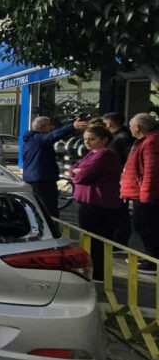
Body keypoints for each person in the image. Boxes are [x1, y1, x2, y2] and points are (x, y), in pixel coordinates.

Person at [70, 123, 125, 280]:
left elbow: (83, 175)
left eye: (92, 139)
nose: (87, 142)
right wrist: (76, 171)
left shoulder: (106, 154)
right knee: (89, 240)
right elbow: (73, 168)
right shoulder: (91, 154)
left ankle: (98, 274)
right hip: (88, 200)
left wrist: (77, 172)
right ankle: (93, 270)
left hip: (98, 203)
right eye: (85, 139)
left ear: (104, 139)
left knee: (96, 241)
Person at [22, 116, 89, 217]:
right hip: (42, 180)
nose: (52, 128)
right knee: (48, 209)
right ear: (41, 127)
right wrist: (72, 127)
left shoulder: (31, 140)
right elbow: (53, 135)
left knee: (40, 208)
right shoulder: (38, 139)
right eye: (49, 125)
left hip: (35, 178)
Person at [120, 113, 159, 272]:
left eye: (131, 126)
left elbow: (151, 170)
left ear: (137, 127)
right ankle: (151, 255)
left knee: (146, 226)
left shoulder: (151, 142)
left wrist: (146, 195)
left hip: (146, 195)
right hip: (142, 193)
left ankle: (154, 260)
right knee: (146, 226)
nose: (130, 129)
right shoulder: (148, 140)